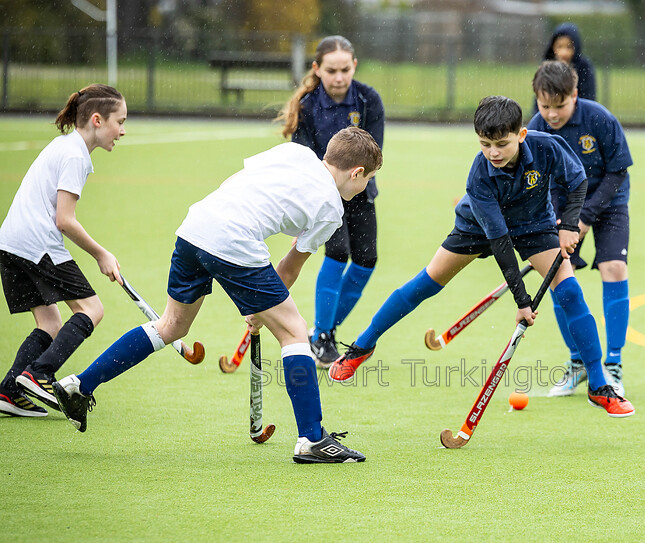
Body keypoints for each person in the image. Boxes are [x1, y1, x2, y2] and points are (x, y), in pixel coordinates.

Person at [52, 127, 383, 464]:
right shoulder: (331, 209)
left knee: (171, 326)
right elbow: (291, 267)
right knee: (294, 332)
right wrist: (262, 311)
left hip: (196, 227)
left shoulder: (296, 152)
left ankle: (81, 384)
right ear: (356, 173)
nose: (364, 188)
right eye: (367, 179)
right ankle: (312, 439)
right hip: (234, 241)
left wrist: (261, 306)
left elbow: (245, 183)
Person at [330, 96, 634, 418]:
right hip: (479, 228)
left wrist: (569, 226)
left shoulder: (547, 146)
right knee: (426, 283)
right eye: (485, 144)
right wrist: (522, 300)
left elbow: (577, 181)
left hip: (534, 225)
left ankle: (598, 385)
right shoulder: (480, 177)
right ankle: (362, 345)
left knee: (570, 292)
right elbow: (500, 242)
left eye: (502, 144)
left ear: (522, 135)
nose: (493, 153)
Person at [0, 84, 125, 418]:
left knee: (49, 322)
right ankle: (39, 374)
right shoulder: (75, 156)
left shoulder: (64, 145)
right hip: (36, 243)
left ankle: (10, 391)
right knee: (92, 309)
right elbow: (65, 221)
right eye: (120, 121)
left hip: (10, 243)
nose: (123, 131)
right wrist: (102, 253)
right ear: (97, 120)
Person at [276, 35, 385, 368]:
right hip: (321, 195)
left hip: (359, 189)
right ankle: (322, 336)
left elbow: (374, 152)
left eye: (345, 70)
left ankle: (324, 333)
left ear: (354, 66)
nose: (339, 77)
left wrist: (352, 180)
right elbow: (303, 159)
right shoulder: (308, 105)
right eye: (331, 70)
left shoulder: (368, 100)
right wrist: (304, 212)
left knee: (366, 259)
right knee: (338, 252)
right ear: (317, 69)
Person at [527, 61, 633, 397]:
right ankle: (579, 363)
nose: (552, 115)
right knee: (562, 280)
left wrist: (584, 217)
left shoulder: (599, 118)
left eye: (559, 106)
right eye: (545, 107)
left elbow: (618, 173)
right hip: (559, 208)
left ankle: (612, 364)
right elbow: (534, 183)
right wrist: (559, 222)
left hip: (608, 201)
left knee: (613, 267)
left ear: (575, 94)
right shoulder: (534, 129)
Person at [542, 23, 596, 101]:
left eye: (569, 47)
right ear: (552, 46)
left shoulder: (584, 67)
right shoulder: (546, 66)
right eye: (559, 46)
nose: (564, 52)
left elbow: (588, 96)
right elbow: (541, 96)